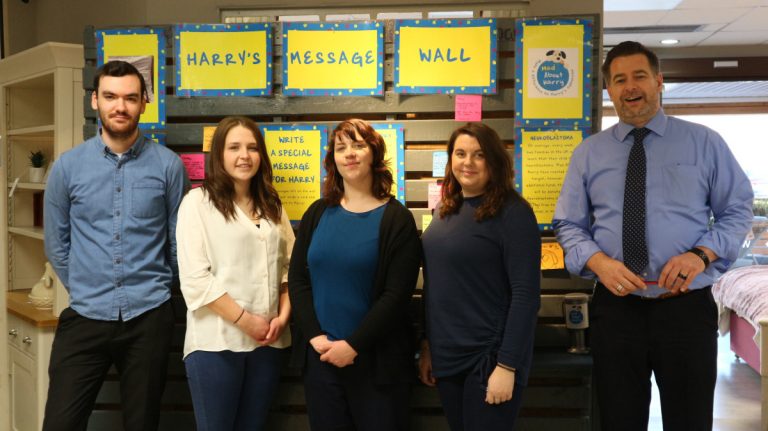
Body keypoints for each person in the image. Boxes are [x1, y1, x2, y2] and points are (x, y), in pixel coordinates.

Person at [553, 41, 754, 430]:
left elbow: (737, 210)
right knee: (619, 420)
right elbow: (569, 225)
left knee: (689, 420)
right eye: (620, 80)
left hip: (686, 309)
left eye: (640, 76)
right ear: (609, 90)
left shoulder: (704, 142)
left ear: (659, 81)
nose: (631, 87)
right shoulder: (588, 154)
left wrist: (702, 254)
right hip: (616, 309)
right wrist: (599, 263)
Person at [43, 60, 188, 431]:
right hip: (85, 313)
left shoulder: (168, 166)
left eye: (129, 98)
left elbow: (177, 242)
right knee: (60, 423)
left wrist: (160, 290)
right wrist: (83, 285)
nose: (119, 106)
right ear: (95, 101)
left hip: (149, 316)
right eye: (110, 96)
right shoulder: (67, 167)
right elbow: (57, 243)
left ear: (143, 104)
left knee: (142, 424)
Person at [288, 118, 421, 431]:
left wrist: (353, 346)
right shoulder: (317, 213)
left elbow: (396, 295)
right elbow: (298, 280)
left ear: (374, 153)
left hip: (377, 364)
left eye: (358, 145)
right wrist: (315, 337)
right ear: (332, 158)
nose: (349, 153)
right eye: (341, 147)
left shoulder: (396, 219)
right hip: (322, 361)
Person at [418, 122, 541, 431]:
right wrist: (429, 346)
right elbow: (436, 285)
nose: (467, 162)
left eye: (479, 154)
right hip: (447, 356)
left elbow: (526, 295)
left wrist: (507, 364)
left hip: (489, 359)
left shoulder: (514, 213)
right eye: (460, 153)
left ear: (494, 161)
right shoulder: (445, 210)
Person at [176, 116, 295, 430]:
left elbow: (290, 268)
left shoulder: (272, 204)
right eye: (234, 147)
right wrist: (246, 321)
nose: (245, 155)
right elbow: (195, 278)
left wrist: (282, 318)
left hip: (269, 342)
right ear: (219, 155)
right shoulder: (197, 204)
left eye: (252, 147)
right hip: (217, 343)